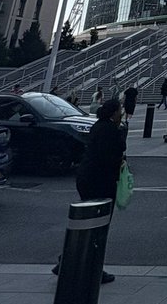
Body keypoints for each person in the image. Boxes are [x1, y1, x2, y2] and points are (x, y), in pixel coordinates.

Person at [53, 96, 126, 285]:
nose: (122, 112)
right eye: (120, 109)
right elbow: (113, 156)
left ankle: (66, 261)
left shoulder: (98, 126)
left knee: (86, 225)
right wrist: (121, 135)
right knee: (98, 228)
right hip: (100, 182)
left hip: (87, 179)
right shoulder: (110, 131)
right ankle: (93, 269)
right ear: (114, 112)